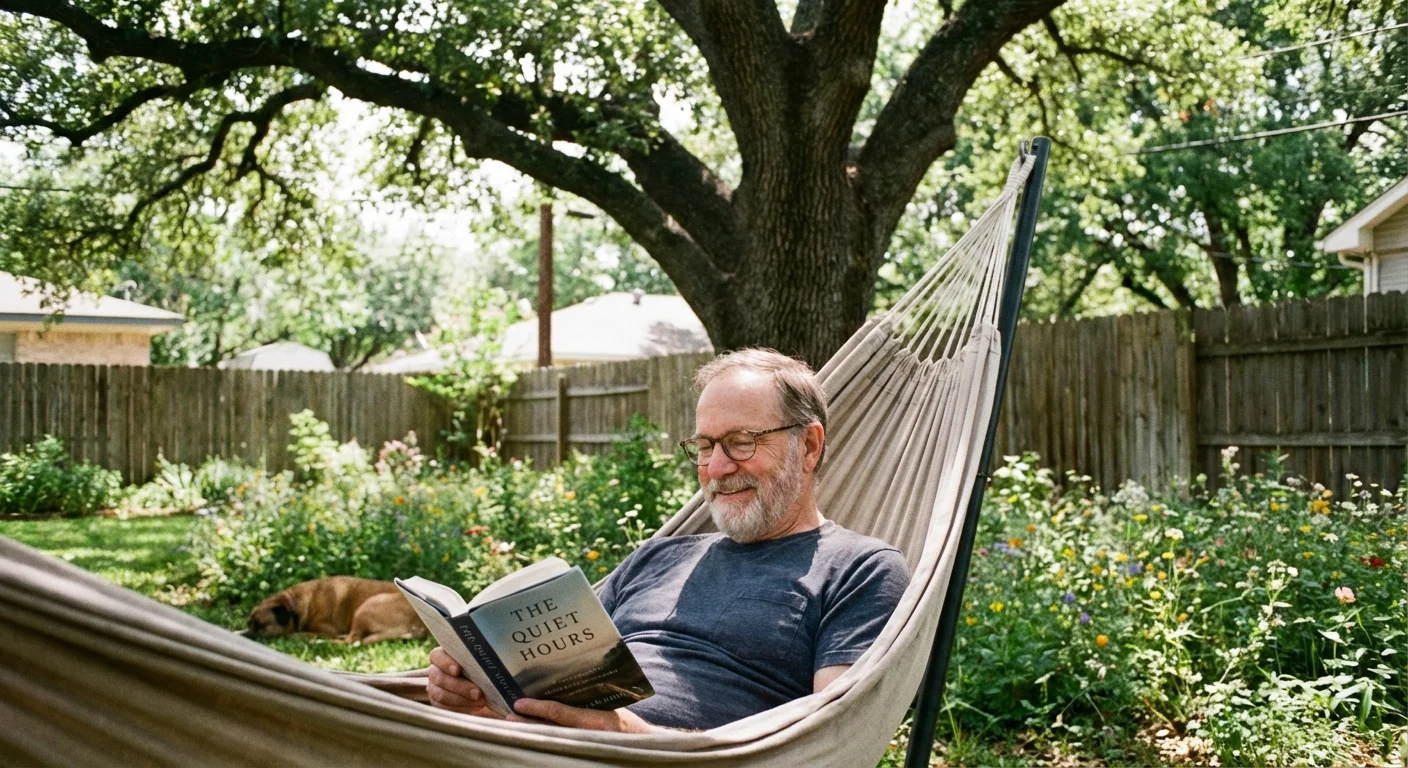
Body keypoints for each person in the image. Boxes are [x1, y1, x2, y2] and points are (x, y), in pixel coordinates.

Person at [427, 348, 910, 732]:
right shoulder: (657, 557)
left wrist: (632, 740)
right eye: (704, 446)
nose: (717, 468)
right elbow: (554, 668)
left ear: (808, 445)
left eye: (741, 442)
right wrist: (474, 690)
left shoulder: (859, 569)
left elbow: (829, 739)